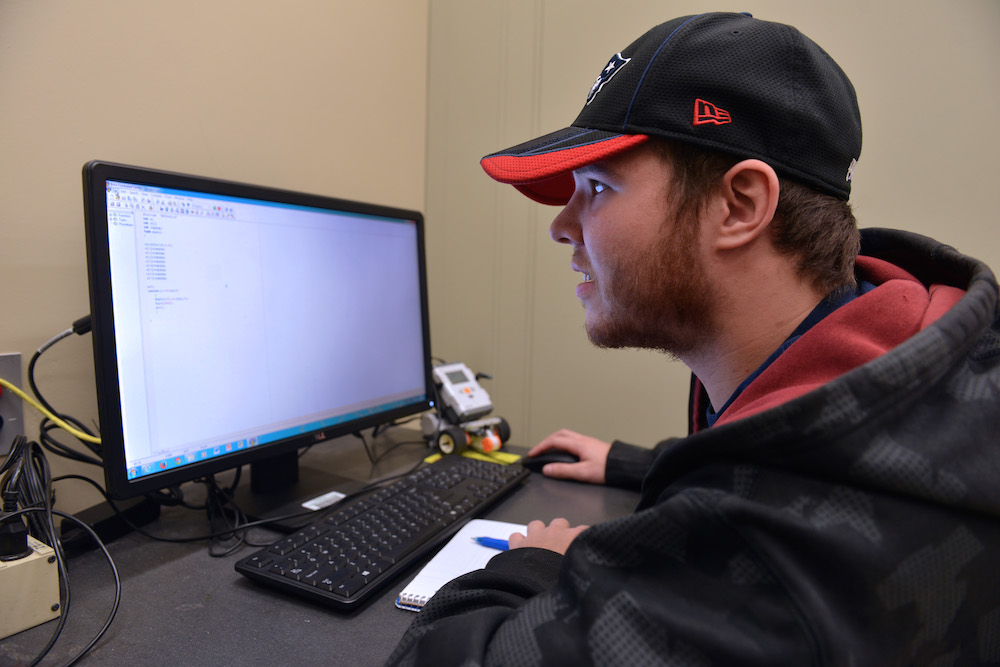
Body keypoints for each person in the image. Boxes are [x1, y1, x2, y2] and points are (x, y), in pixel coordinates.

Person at [388, 12, 1000, 665]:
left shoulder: (762, 552)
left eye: (596, 187)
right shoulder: (926, 360)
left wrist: (535, 565)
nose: (562, 225)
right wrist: (646, 464)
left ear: (738, 206)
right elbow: (819, 461)